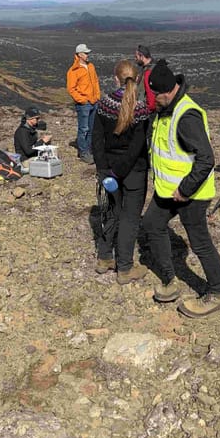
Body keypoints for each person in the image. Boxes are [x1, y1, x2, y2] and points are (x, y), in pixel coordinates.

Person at [140, 60, 220, 317]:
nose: (153, 100)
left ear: (167, 91)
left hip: (191, 193)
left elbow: (206, 158)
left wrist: (185, 189)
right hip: (168, 190)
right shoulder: (166, 109)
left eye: (155, 95)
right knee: (151, 224)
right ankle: (170, 280)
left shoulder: (186, 115)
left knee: (200, 242)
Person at [91, 61, 154, 280]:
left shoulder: (104, 104)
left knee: (110, 211)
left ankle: (104, 256)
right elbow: (138, 146)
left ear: (115, 79)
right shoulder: (141, 109)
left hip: (109, 168)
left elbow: (96, 139)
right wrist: (121, 170)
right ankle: (125, 267)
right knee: (129, 217)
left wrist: (104, 169)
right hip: (134, 170)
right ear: (137, 79)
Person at [67, 44, 102, 160]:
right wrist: (82, 100)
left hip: (94, 102)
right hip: (84, 104)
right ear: (79, 55)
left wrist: (97, 96)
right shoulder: (73, 70)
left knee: (92, 128)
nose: (88, 55)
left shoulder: (91, 66)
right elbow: (71, 89)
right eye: (86, 53)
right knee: (84, 129)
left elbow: (96, 82)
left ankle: (89, 150)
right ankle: (83, 152)